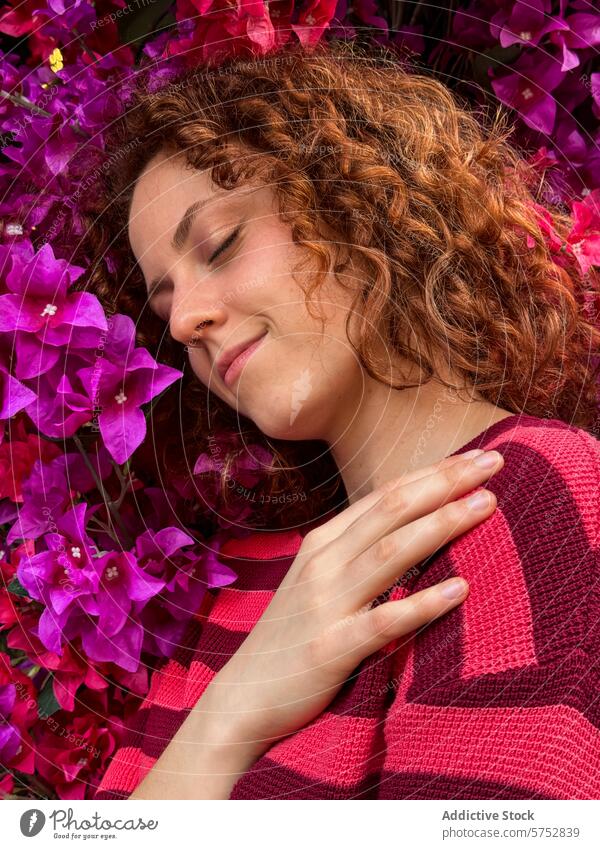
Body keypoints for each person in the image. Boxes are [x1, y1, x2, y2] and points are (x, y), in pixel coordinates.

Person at [80, 40, 600, 799]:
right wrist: (231, 710)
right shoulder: (242, 585)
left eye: (220, 244)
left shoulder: (532, 498)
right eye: (165, 305)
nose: (188, 319)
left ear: (357, 202)